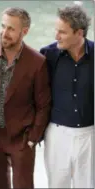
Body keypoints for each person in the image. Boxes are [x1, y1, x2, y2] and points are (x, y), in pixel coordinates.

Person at [0, 7, 51, 188]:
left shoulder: (37, 62)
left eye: (11, 29)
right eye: (3, 26)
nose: (5, 33)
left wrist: (32, 139)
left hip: (21, 139)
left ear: (25, 31)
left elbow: (43, 105)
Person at [40, 5, 94, 188]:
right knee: (57, 185)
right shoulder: (47, 55)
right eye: (56, 31)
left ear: (79, 33)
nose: (56, 36)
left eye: (62, 32)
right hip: (57, 134)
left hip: (90, 134)